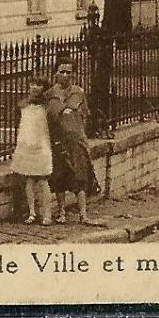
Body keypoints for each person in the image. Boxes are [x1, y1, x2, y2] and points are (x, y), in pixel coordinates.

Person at [46, 59, 100, 224]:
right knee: (59, 177)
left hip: (76, 141)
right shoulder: (49, 95)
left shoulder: (79, 93)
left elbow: (85, 114)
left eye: (69, 72)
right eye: (62, 71)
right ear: (55, 73)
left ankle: (83, 213)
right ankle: (61, 211)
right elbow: (47, 118)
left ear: (73, 74)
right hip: (58, 141)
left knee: (80, 176)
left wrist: (83, 137)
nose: (65, 75)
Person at [11, 76, 54, 225]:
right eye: (32, 84)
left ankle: (47, 214)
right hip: (26, 145)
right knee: (28, 180)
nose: (35, 87)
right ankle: (32, 212)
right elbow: (21, 124)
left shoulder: (47, 107)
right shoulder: (23, 106)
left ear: (44, 88)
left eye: (39, 85)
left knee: (43, 180)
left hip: (42, 145)